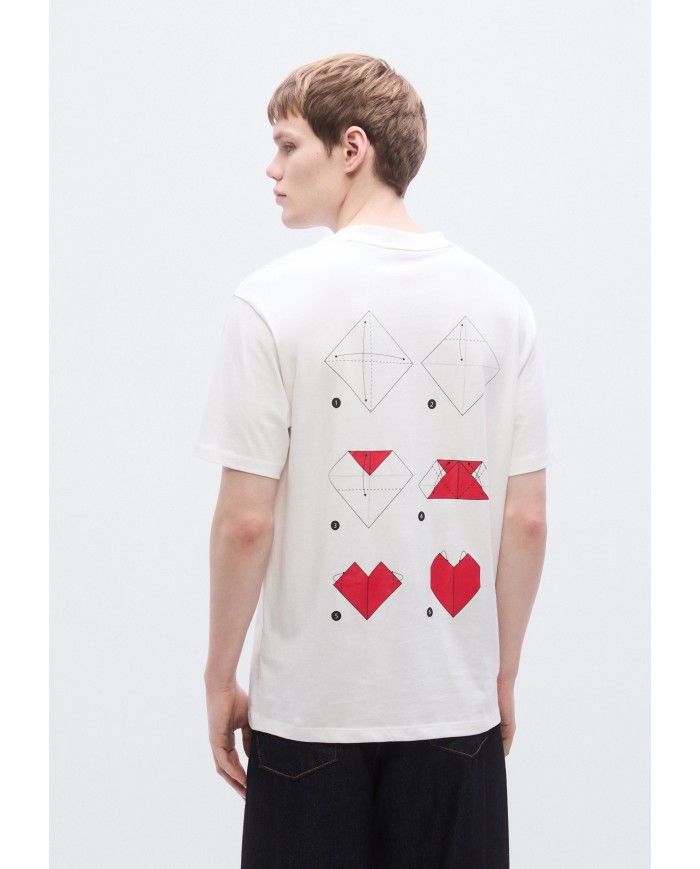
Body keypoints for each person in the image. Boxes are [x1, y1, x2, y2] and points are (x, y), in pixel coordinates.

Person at [194, 52, 559, 869]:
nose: (272, 168)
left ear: (351, 148)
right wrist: (500, 674)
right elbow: (528, 518)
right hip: (453, 713)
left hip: (310, 715)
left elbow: (246, 523)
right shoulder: (504, 307)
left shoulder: (269, 303)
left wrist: (219, 675)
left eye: (288, 145)